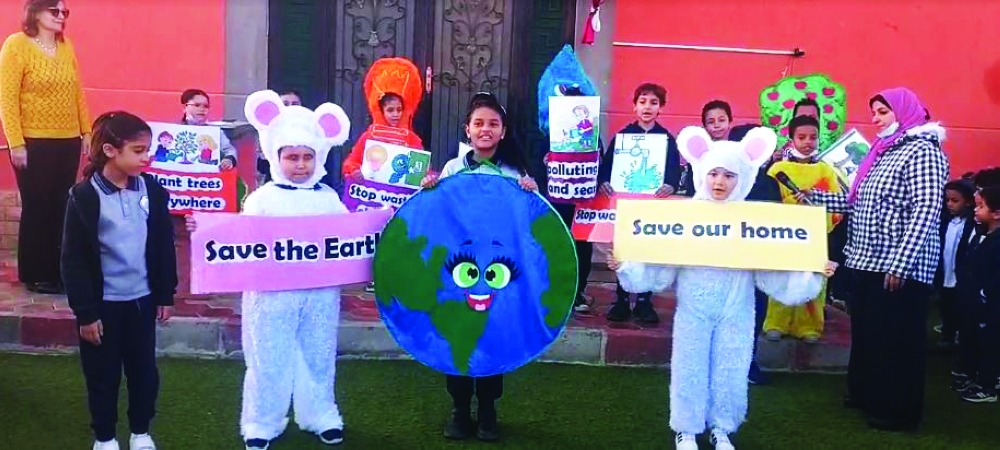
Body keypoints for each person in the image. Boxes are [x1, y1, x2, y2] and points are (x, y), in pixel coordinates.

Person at [610, 126, 834, 450]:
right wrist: (627, 266)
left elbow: (773, 270)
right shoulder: (685, 216)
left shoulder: (754, 220)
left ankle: (723, 428)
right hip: (693, 309)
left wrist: (810, 271)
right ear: (701, 172)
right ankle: (686, 429)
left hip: (737, 309)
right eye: (713, 173)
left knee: (732, 368)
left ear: (743, 177)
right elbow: (660, 265)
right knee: (689, 366)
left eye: (729, 175)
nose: (719, 182)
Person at [186, 91, 351, 449]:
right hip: (270, 297)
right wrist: (205, 231)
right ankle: (262, 420)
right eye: (292, 157)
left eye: (308, 157)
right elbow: (238, 239)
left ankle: (320, 413)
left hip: (320, 296)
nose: (301, 165)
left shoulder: (329, 199)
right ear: (276, 156)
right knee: (267, 356)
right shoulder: (262, 199)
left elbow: (350, 239)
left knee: (319, 353)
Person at [799, 88, 948, 431]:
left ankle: (897, 410)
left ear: (904, 111)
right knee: (869, 334)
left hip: (898, 266)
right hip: (866, 261)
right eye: (874, 112)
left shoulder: (924, 151)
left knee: (896, 339)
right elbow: (858, 201)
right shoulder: (882, 150)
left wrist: (901, 262)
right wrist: (814, 198)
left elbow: (926, 209)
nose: (876, 119)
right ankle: (866, 394)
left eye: (883, 112)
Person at [420, 93, 537, 442]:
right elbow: (437, 217)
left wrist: (531, 194)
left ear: (503, 131)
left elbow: (527, 225)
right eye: (479, 123)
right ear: (467, 129)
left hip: (498, 273)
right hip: (458, 273)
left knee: (492, 337)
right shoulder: (453, 169)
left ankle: (487, 409)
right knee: (458, 335)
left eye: (493, 124)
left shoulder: (514, 173)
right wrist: (430, 189)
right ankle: (459, 408)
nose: (485, 129)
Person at [61, 112, 178, 450]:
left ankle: (141, 432)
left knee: (144, 373)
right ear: (110, 150)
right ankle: (105, 437)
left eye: (148, 150)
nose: (146, 157)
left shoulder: (153, 191)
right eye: (138, 150)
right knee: (103, 376)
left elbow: (163, 244)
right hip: (103, 308)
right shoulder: (83, 196)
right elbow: (73, 259)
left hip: (142, 302)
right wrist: (86, 313)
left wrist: (165, 294)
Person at [1, 0, 91, 294]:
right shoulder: (16, 45)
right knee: (37, 206)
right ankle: (35, 272)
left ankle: (56, 270)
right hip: (33, 142)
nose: (61, 16)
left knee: (61, 206)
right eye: (55, 11)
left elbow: (77, 92)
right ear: (35, 13)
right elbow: (7, 98)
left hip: (67, 140)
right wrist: (16, 142)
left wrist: (86, 131)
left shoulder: (66, 46)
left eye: (65, 12)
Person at [597, 82, 681, 324]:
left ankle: (645, 301)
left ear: (661, 108)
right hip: (624, 206)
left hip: (653, 206)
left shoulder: (667, 140)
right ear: (634, 106)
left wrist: (671, 185)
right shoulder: (622, 138)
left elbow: (674, 172)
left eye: (654, 103)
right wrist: (604, 182)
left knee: (647, 251)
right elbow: (607, 168)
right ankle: (621, 299)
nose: (647, 107)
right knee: (622, 251)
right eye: (642, 102)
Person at [341, 58, 425, 293]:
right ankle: (372, 276)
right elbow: (350, 162)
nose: (395, 114)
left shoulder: (413, 140)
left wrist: (428, 179)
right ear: (381, 110)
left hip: (399, 206)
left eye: (399, 109)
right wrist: (353, 172)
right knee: (374, 238)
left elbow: (421, 171)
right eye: (390, 110)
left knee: (397, 239)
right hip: (372, 204)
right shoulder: (368, 136)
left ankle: (395, 277)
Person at [763, 115, 843, 344]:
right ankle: (776, 322)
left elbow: (836, 205)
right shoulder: (777, 169)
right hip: (783, 234)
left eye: (813, 137)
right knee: (781, 276)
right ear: (791, 139)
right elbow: (767, 202)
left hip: (814, 236)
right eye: (802, 137)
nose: (808, 142)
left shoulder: (825, 170)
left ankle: (809, 325)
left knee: (812, 279)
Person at [953, 171, 1000, 403]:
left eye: (981, 206)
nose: (975, 210)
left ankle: (987, 386)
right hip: (975, 300)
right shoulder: (981, 234)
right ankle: (975, 375)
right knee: (975, 338)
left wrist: (984, 293)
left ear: (997, 213)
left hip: (991, 304)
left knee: (990, 342)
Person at [934, 179, 977, 351]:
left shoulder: (972, 225)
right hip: (945, 273)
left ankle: (962, 338)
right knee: (946, 306)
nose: (950, 204)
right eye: (947, 200)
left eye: (955, 200)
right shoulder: (945, 223)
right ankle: (948, 337)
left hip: (960, 275)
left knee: (961, 307)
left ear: (968, 202)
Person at [179, 88, 237, 169]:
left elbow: (229, 150)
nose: (202, 109)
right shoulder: (174, 130)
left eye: (206, 106)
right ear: (184, 107)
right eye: (197, 105)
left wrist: (229, 159)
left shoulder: (215, 132)